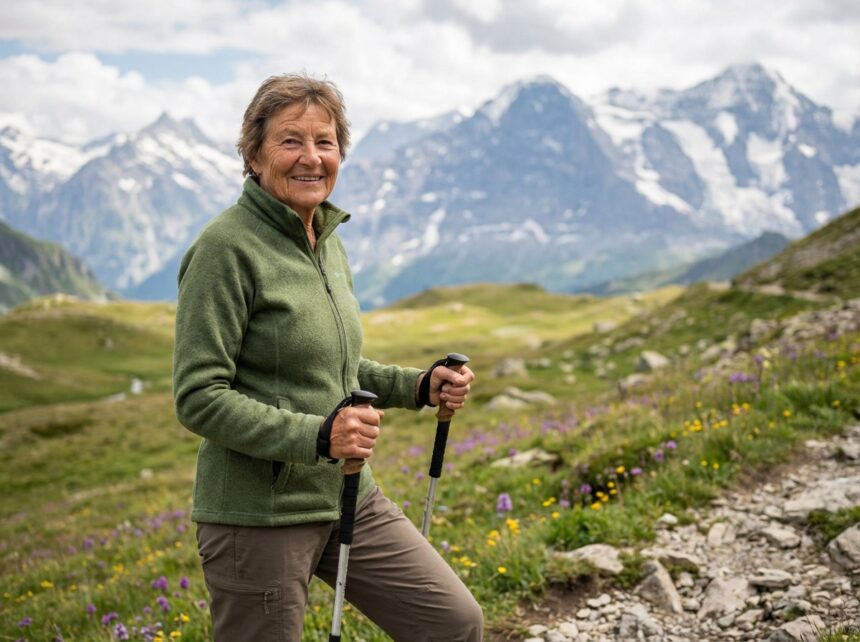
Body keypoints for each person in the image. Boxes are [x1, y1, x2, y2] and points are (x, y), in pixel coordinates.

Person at [172, 73, 483, 641]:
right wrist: (320, 436)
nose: (311, 157)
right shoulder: (225, 248)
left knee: (453, 622)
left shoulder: (326, 238)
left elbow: (333, 367)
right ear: (254, 153)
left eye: (325, 141)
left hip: (345, 493)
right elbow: (199, 398)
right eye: (291, 140)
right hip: (257, 516)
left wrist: (418, 385)